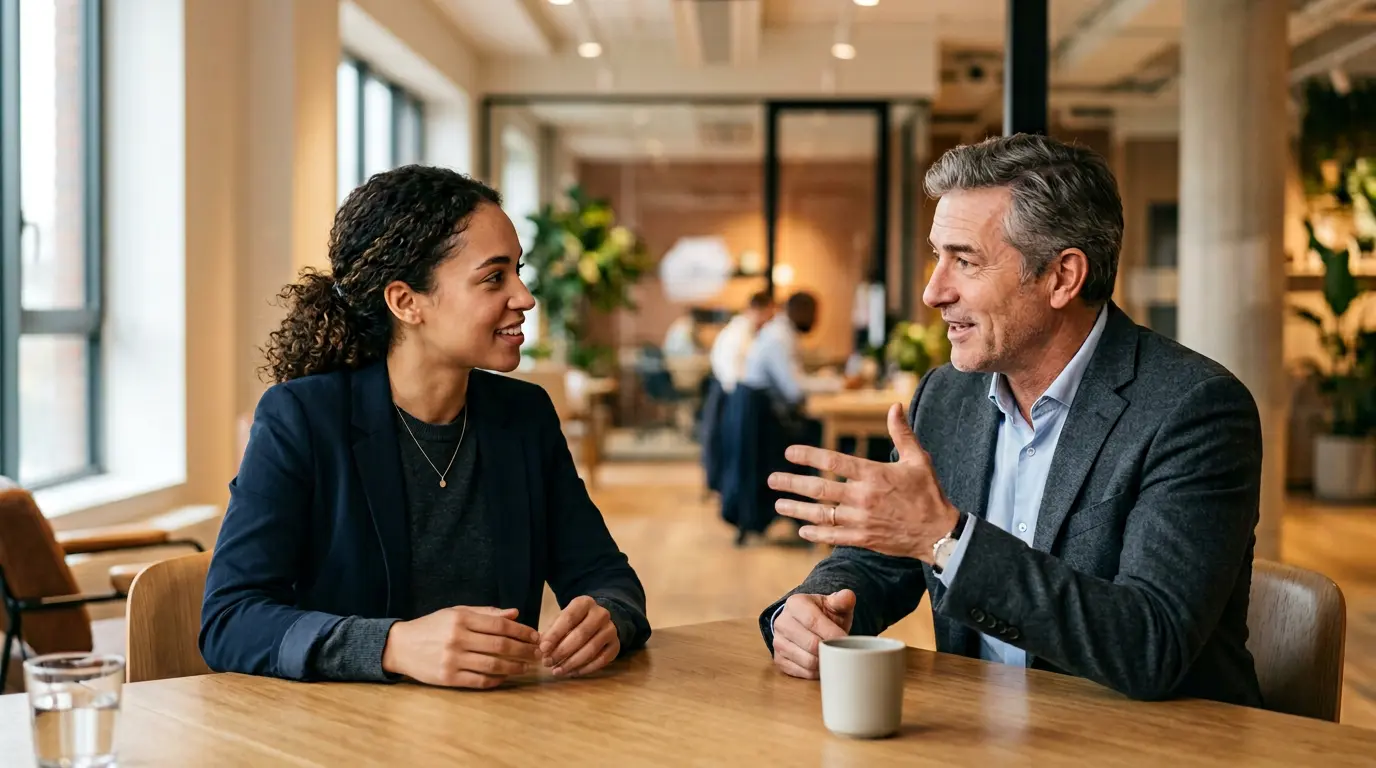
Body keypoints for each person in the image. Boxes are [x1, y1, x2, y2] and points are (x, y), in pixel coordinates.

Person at [758, 133, 1265, 708]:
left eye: (965, 261)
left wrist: (945, 540)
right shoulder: (947, 397)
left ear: (1062, 277)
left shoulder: (1194, 410)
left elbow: (1151, 644)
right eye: (936, 256)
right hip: (983, 738)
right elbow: (884, 554)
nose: (932, 291)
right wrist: (813, 608)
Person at [200, 166, 651, 689]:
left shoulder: (523, 416)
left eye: (518, 272)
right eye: (493, 277)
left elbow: (606, 576)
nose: (525, 298)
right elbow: (229, 620)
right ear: (406, 302)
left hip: (503, 731)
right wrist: (392, 645)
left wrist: (608, 617)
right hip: (339, 737)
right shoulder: (300, 418)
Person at [709, 290, 775, 394]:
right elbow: (737, 377)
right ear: (759, 311)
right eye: (770, 315)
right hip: (736, 393)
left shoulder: (738, 328)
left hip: (732, 391)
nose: (770, 321)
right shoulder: (740, 334)